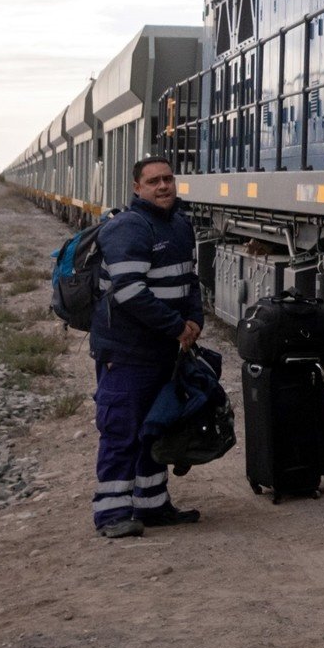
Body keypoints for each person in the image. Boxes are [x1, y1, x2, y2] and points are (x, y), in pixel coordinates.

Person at [90, 157, 205, 538]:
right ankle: (112, 514)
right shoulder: (128, 227)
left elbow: (189, 280)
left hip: (162, 350)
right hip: (126, 351)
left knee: (155, 428)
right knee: (122, 430)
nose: (163, 186)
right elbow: (129, 292)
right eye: (153, 181)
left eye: (168, 178)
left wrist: (195, 321)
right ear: (137, 188)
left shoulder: (179, 225)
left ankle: (152, 505)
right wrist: (177, 327)